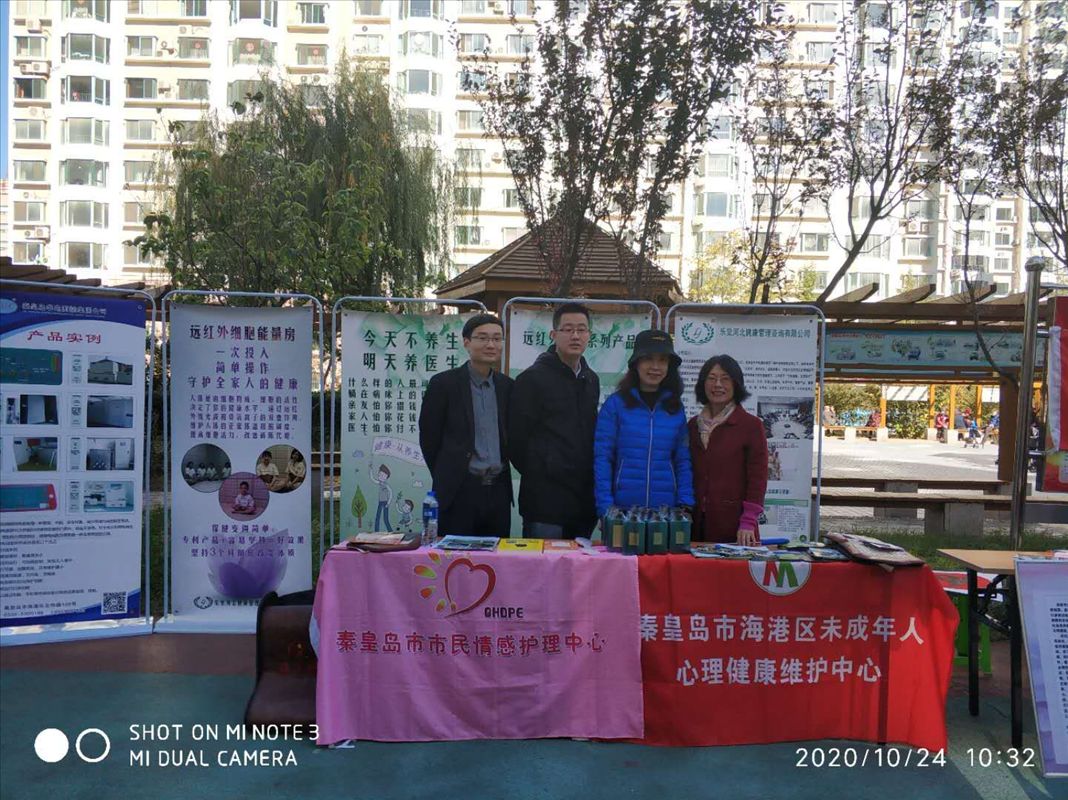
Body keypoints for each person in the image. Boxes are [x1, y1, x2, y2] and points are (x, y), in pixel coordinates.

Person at [509, 302, 600, 539]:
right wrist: (542, 470)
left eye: (581, 329)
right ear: (553, 334)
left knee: (581, 562)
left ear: (589, 335)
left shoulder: (591, 379)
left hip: (583, 500)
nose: (575, 336)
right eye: (567, 329)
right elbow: (516, 441)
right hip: (545, 501)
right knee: (544, 562)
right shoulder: (531, 379)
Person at [419, 313, 514, 536]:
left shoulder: (508, 387)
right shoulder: (444, 384)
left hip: (498, 491)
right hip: (458, 491)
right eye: (483, 338)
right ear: (466, 342)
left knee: (496, 555)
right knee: (454, 555)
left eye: (497, 338)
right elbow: (429, 439)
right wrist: (449, 473)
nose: (491, 344)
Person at [593, 329, 693, 518]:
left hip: (666, 514)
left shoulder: (675, 407)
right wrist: (606, 507)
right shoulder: (615, 404)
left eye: (662, 360)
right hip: (621, 513)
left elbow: (682, 460)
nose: (655, 367)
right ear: (636, 363)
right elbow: (603, 458)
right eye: (648, 358)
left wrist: (685, 503)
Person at [688, 355, 768, 545]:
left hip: (736, 526)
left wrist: (749, 520)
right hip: (694, 523)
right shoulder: (692, 426)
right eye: (711, 378)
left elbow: (758, 478)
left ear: (736, 384)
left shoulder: (751, 425)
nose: (718, 384)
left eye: (725, 378)